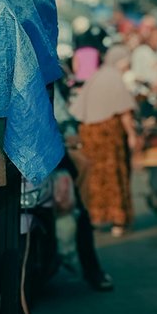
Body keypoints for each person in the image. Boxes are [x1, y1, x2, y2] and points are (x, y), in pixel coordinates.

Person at [68, 45, 139, 236]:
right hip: (109, 134)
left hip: (89, 133)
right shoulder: (114, 77)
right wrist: (132, 135)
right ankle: (118, 221)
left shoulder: (97, 75)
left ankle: (96, 218)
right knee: (115, 176)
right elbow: (124, 111)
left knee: (95, 177)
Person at [52, 76, 114, 291]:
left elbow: (62, 116)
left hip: (52, 153)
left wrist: (68, 134)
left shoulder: (44, 79)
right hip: (17, 158)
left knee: (78, 212)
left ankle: (93, 271)